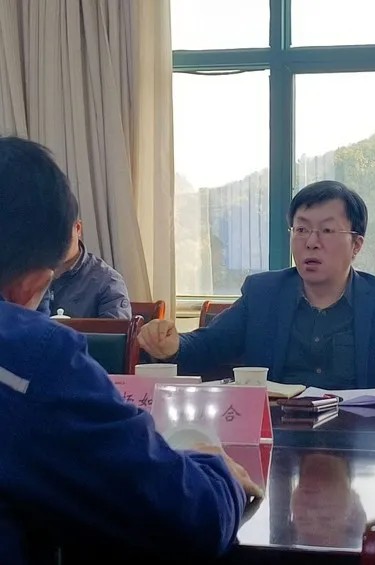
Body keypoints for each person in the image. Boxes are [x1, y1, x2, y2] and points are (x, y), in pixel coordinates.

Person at [0, 136, 262, 564]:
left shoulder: (104, 282)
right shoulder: (30, 357)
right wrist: (218, 474)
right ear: (32, 285)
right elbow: (185, 517)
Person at [137, 180, 375, 388]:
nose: (311, 242)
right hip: (280, 437)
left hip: (365, 444)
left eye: (326, 230)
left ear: (356, 245)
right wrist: (172, 346)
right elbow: (209, 345)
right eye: (301, 229)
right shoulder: (263, 294)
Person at [36, 207, 131, 319]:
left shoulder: (107, 281)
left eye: (63, 233)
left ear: (78, 228)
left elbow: (115, 329)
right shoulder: (28, 275)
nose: (56, 242)